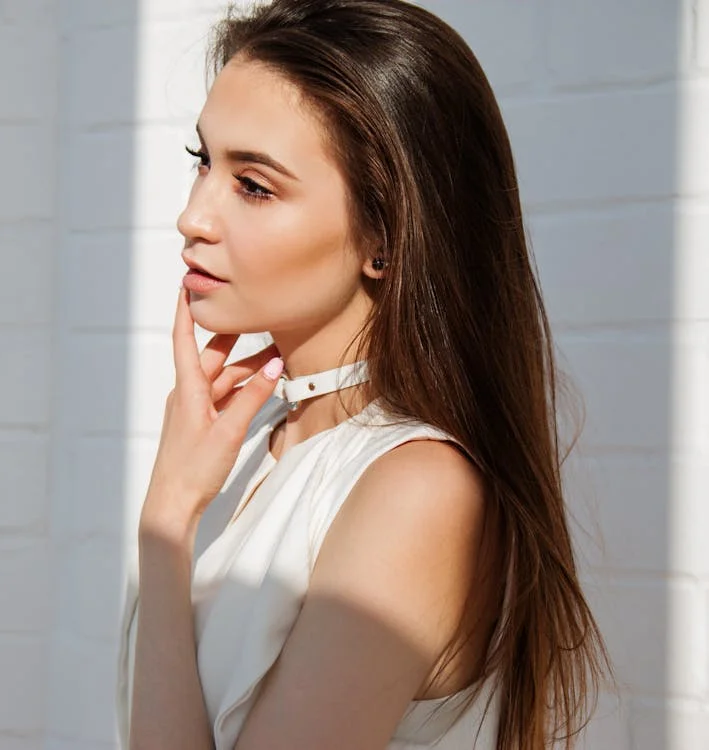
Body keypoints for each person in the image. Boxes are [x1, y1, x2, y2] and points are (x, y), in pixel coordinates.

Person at [113, 1, 612, 748]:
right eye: (203, 162)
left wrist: (165, 521)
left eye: (253, 185)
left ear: (382, 236)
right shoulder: (258, 448)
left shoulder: (416, 491)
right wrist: (173, 509)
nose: (194, 216)